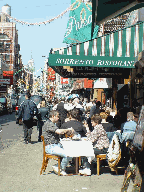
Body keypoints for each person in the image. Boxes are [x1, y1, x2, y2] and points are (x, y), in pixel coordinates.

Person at [42, 110, 74, 176]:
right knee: (67, 154)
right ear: (53, 116)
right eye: (57, 116)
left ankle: (59, 166)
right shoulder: (49, 124)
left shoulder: (51, 123)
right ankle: (60, 168)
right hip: (51, 146)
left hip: (55, 145)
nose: (59, 118)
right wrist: (68, 129)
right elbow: (59, 131)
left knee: (72, 151)